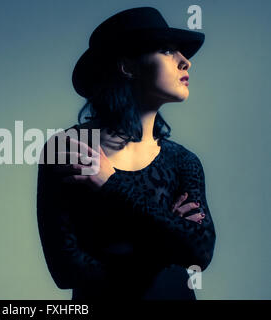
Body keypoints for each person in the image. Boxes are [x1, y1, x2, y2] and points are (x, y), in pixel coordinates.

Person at [36, 7, 216, 300]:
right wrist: (168, 241)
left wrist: (112, 184)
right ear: (128, 67)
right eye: (167, 50)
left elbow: (200, 253)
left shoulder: (183, 161)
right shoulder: (68, 150)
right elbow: (65, 270)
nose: (186, 62)